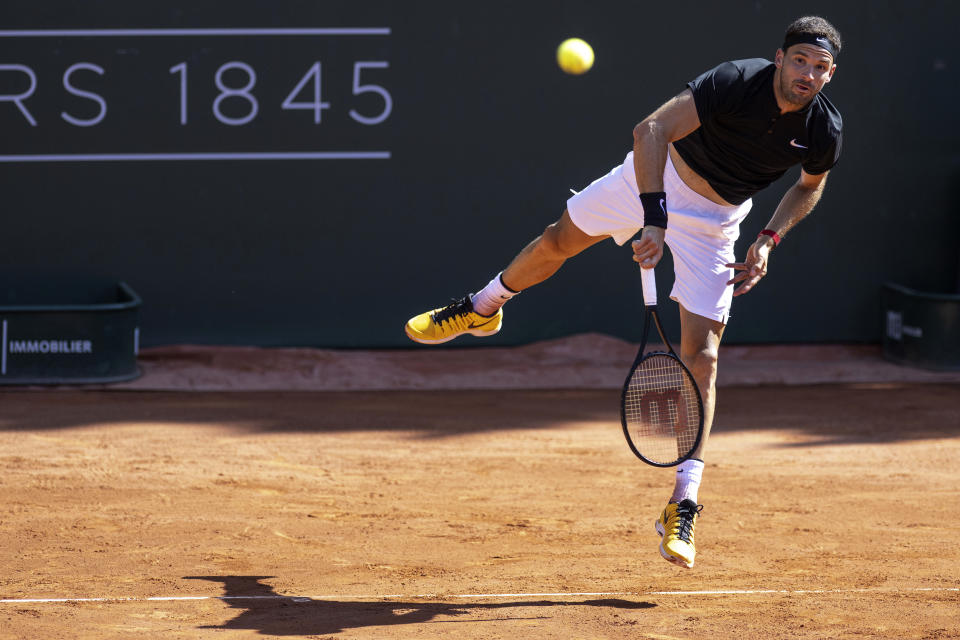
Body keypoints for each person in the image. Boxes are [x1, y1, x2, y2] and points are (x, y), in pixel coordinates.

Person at [404, 16, 843, 569]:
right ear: (779, 59)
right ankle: (482, 307)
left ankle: (683, 503)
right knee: (556, 241)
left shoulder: (824, 128)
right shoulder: (736, 80)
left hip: (716, 221)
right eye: (800, 60)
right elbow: (650, 131)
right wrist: (654, 219)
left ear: (830, 75)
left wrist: (769, 239)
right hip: (652, 179)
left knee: (702, 358)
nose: (808, 73)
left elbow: (810, 184)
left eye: (820, 67)